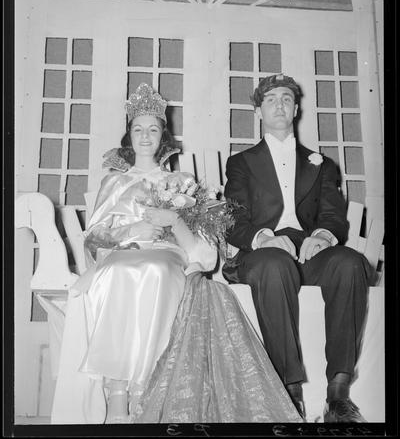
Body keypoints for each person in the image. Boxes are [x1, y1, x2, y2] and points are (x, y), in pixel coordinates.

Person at [51, 83, 302, 424]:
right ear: (128, 135)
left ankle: (144, 387)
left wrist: (173, 221)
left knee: (155, 271)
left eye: (153, 129)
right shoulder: (114, 183)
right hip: (121, 253)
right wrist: (131, 232)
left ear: (163, 137)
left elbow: (204, 250)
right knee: (120, 273)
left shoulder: (181, 182)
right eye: (138, 129)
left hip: (168, 256)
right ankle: (117, 389)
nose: (145, 136)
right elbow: (93, 238)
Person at [223, 74, 377, 423]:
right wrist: (263, 236)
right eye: (271, 99)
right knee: (274, 264)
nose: (279, 104)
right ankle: (289, 393)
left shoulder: (320, 163)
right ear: (260, 110)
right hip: (261, 253)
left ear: (295, 109)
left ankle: (337, 395)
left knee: (350, 262)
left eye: (286, 99)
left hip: (308, 252)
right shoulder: (241, 163)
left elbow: (333, 215)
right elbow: (233, 220)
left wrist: (322, 234)